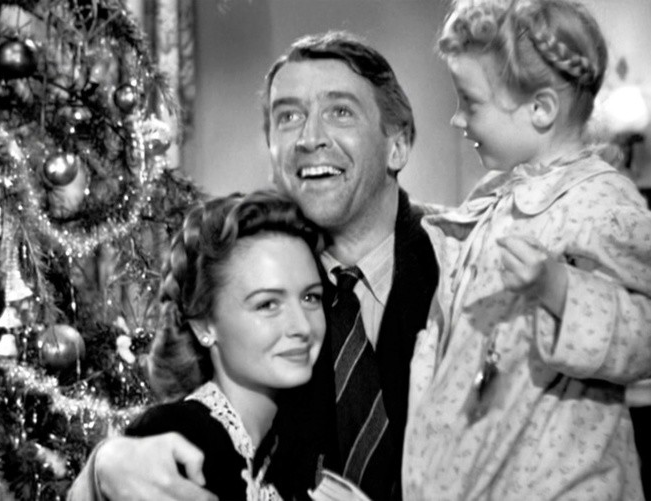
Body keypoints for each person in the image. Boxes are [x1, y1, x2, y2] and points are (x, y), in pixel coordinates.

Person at [68, 31, 438, 501]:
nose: (309, 138)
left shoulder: (467, 266)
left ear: (397, 145)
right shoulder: (250, 271)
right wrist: (102, 468)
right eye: (289, 117)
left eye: (340, 111)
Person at [402, 1, 651, 499]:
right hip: (479, 467)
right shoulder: (496, 192)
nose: (456, 118)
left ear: (541, 109)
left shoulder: (603, 201)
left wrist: (561, 290)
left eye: (470, 102)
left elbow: (644, 335)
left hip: (562, 481)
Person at [115, 190, 326, 500]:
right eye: (268, 304)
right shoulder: (168, 438)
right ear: (204, 324)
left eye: (311, 297)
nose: (303, 327)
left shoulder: (310, 442)